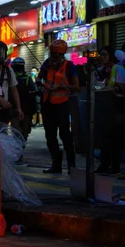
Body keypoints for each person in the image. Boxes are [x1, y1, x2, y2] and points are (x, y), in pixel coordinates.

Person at [37, 39, 79, 174]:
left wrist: (61, 86)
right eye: (52, 53)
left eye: (56, 54)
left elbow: (76, 86)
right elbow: (39, 78)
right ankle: (56, 165)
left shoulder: (69, 66)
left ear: (62, 54)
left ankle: (72, 166)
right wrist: (40, 82)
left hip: (62, 105)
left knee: (65, 135)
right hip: (47, 104)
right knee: (50, 136)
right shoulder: (47, 64)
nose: (53, 56)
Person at [95, 47, 125, 174]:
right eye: (100, 55)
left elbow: (123, 89)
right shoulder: (100, 70)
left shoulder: (118, 69)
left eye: (104, 55)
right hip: (103, 109)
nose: (102, 57)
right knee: (103, 139)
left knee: (115, 139)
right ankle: (104, 164)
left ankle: (115, 166)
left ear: (111, 56)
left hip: (116, 109)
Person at [0, 41, 24, 124]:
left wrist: (18, 108)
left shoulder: (9, 71)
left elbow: (14, 89)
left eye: (1, 53)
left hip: (4, 110)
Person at [11, 57, 37, 141]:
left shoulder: (12, 78)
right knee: (22, 131)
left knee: (17, 130)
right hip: (22, 109)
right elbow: (34, 90)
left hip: (18, 109)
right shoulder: (27, 78)